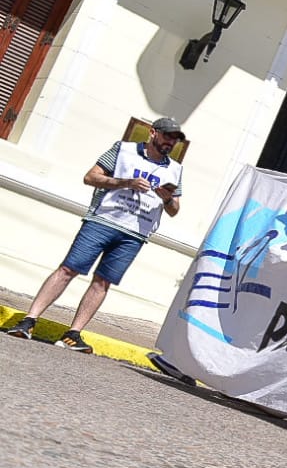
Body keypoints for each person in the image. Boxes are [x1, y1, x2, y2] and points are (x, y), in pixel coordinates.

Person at [6, 117, 187, 353]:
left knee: (103, 282)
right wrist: (125, 182)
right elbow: (90, 177)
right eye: (167, 136)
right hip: (103, 220)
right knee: (68, 269)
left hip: (135, 233)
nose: (170, 142)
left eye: (174, 139)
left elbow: (174, 210)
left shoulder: (175, 169)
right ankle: (29, 320)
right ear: (153, 133)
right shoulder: (123, 150)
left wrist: (166, 198)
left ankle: (73, 334)